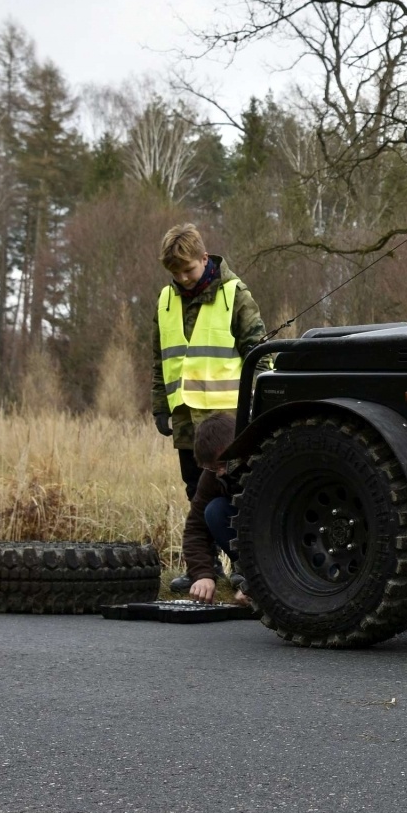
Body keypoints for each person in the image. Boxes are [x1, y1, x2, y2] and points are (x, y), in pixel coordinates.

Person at [150, 223, 265, 590]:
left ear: (204, 258)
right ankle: (205, 567)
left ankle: (246, 566)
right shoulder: (165, 301)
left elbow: (258, 353)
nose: (183, 278)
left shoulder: (234, 294)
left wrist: (260, 407)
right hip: (185, 417)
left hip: (229, 419)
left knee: (243, 494)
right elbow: (160, 360)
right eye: (176, 273)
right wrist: (160, 406)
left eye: (189, 270)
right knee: (196, 491)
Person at [182, 413, 250, 606]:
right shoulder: (212, 476)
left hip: (286, 542)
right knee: (214, 510)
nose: (220, 472)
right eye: (213, 468)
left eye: (222, 464)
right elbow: (195, 529)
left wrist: (263, 579)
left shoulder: (267, 461)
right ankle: (245, 571)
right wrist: (203, 574)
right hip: (252, 540)